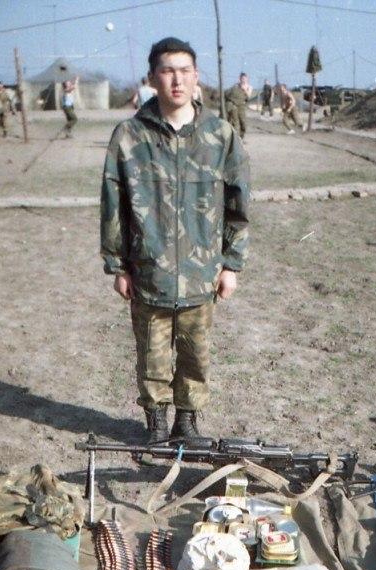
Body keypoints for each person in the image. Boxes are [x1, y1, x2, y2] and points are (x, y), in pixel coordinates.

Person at [100, 37, 250, 443]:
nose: (177, 80)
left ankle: (187, 422)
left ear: (196, 76)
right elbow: (114, 204)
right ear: (152, 78)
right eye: (167, 71)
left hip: (202, 272)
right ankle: (156, 423)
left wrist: (231, 264)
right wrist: (118, 266)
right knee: (151, 353)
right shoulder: (129, 136)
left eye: (185, 71)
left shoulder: (220, 135)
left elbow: (238, 204)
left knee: (195, 353)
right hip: (149, 271)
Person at [225, 72, 252, 139]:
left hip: (242, 106)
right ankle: (237, 138)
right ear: (240, 79)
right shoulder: (236, 85)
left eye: (245, 78)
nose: (243, 80)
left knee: (243, 122)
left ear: (247, 79)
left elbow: (248, 96)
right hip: (234, 105)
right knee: (235, 122)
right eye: (242, 78)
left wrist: (244, 89)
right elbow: (230, 93)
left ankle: (241, 135)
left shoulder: (249, 87)